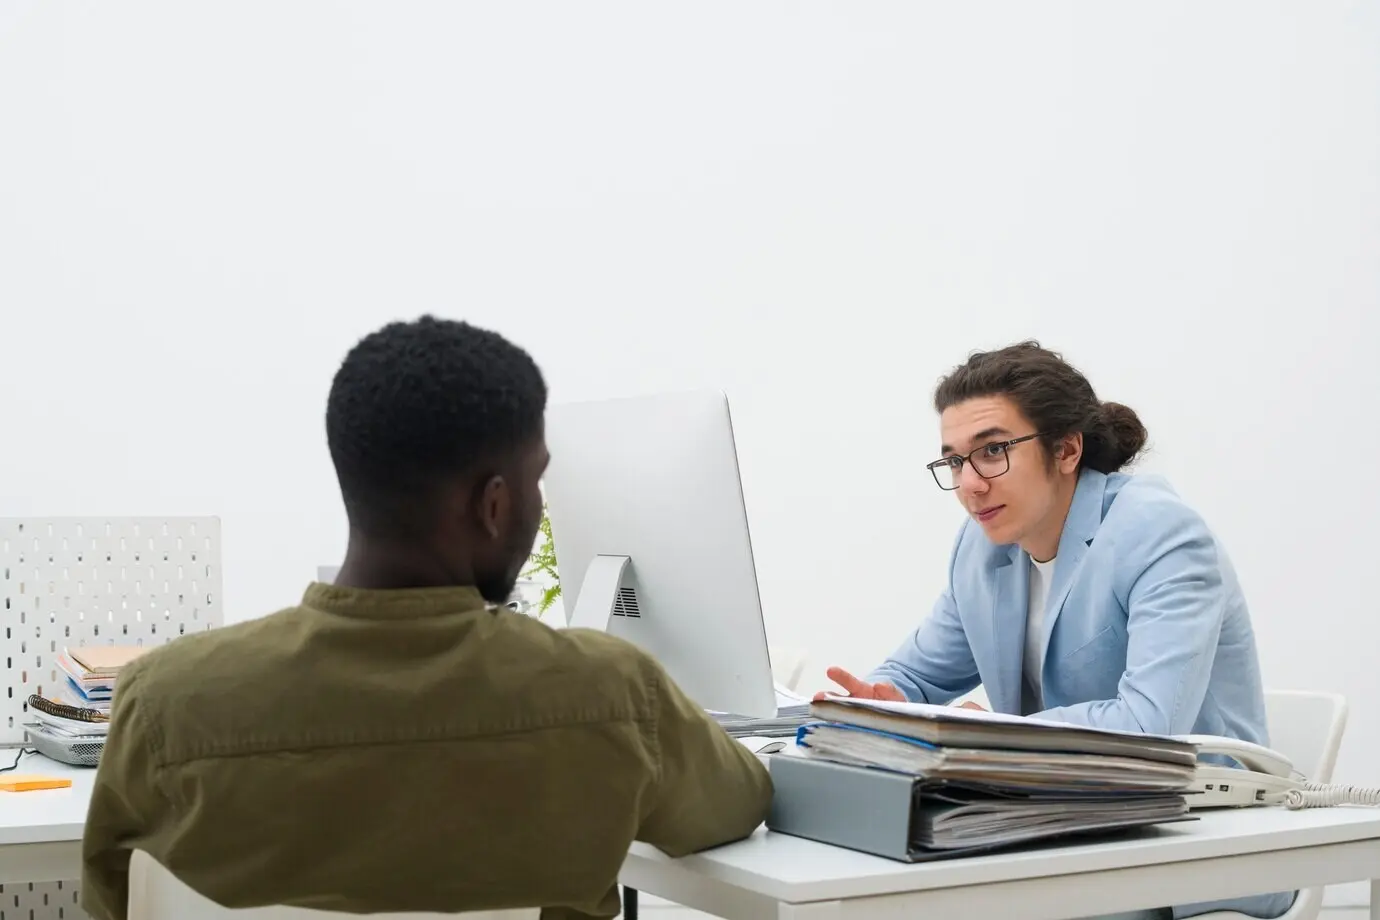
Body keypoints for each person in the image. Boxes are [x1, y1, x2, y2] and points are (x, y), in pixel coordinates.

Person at [81, 316, 772, 920]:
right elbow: (737, 804)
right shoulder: (612, 697)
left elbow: (116, 898)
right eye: (537, 480)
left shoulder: (165, 703)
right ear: (494, 505)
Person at [818, 342, 1290, 920]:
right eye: (955, 461)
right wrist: (881, 706)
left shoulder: (1158, 534)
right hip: (1063, 828)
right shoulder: (984, 550)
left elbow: (1148, 727)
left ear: (1066, 449)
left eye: (992, 451)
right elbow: (915, 673)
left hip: (1196, 843)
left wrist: (990, 736)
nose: (970, 483)